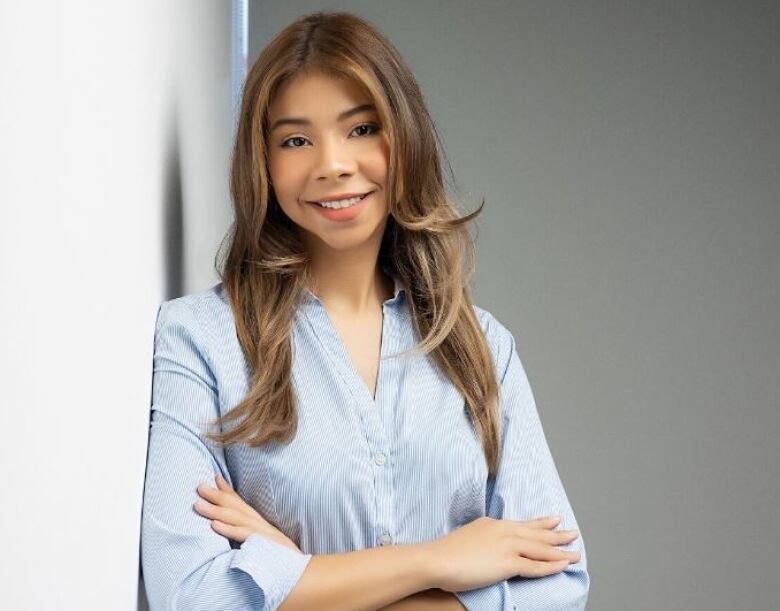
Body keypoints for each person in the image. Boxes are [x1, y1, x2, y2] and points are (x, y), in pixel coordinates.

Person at [140, 10, 589, 611]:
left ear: (403, 137)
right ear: (264, 164)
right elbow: (191, 595)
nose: (332, 163)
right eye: (296, 140)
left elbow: (558, 588)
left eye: (361, 129)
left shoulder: (483, 347)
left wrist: (300, 577)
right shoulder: (200, 340)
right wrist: (440, 562)